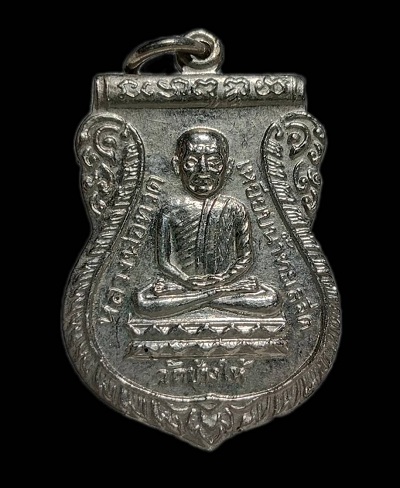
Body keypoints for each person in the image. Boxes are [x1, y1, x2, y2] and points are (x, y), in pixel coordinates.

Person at [134, 127, 281, 318]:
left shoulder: (234, 208)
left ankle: (201, 299)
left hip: (220, 285)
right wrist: (186, 280)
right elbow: (164, 261)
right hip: (186, 286)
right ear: (177, 166)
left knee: (270, 299)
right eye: (192, 162)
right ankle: (211, 298)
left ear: (228, 167)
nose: (203, 169)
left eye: (214, 162)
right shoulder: (170, 209)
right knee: (142, 302)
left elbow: (245, 259)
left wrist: (222, 279)